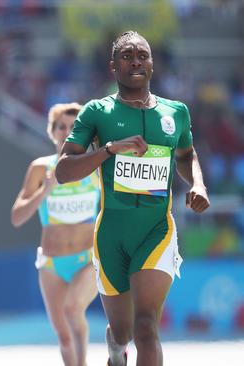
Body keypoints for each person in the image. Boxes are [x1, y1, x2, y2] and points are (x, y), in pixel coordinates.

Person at [55, 31, 210, 366]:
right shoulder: (98, 112)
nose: (136, 60)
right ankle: (115, 350)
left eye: (143, 55)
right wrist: (110, 149)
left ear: (152, 64)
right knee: (123, 331)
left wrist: (198, 184)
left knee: (145, 328)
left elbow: (186, 154)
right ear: (113, 66)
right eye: (127, 55)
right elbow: (63, 171)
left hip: (156, 230)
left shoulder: (176, 112)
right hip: (112, 235)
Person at [11, 102, 99, 366]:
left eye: (74, 126)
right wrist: (45, 190)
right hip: (51, 263)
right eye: (61, 126)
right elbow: (17, 217)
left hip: (88, 259)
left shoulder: (94, 166)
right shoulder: (40, 168)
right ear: (52, 132)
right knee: (63, 337)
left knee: (73, 309)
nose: (67, 131)